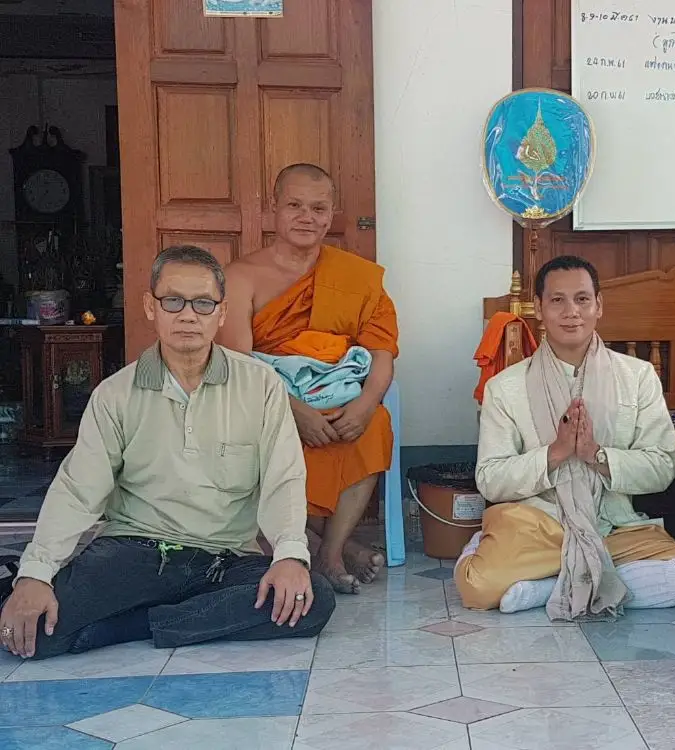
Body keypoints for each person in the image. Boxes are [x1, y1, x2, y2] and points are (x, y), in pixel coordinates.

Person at [0, 246, 335, 660]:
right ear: (150, 307)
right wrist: (35, 574)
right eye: (173, 301)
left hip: (224, 560)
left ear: (222, 312)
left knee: (312, 599)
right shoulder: (115, 395)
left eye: (203, 303)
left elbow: (284, 479)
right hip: (134, 552)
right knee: (35, 630)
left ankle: (138, 624)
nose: (188, 315)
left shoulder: (261, 385)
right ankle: (186, 617)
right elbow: (77, 491)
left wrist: (290, 556)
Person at [455, 255, 675, 618]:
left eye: (582, 299)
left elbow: (662, 467)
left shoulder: (638, 377)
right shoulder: (505, 387)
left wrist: (596, 455)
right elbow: (490, 479)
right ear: (539, 308)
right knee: (475, 586)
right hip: (537, 526)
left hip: (613, 527)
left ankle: (549, 587)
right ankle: (581, 579)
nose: (572, 312)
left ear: (599, 305)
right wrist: (555, 452)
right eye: (557, 300)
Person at [219, 164, 398, 594]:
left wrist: (365, 404)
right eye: (295, 206)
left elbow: (382, 351)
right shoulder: (241, 276)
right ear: (273, 208)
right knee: (259, 438)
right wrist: (294, 410)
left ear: (331, 212)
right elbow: (238, 364)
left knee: (376, 425)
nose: (307, 217)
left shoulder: (358, 276)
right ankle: (330, 548)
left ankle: (331, 554)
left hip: (339, 397)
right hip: (268, 400)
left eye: (318, 208)